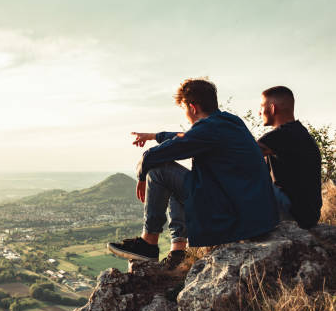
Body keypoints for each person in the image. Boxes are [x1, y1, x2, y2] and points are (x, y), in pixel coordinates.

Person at [107, 78, 279, 269]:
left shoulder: (208, 129)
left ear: (193, 107)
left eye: (184, 110)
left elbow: (154, 156)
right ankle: (178, 249)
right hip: (255, 214)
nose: (186, 116)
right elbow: (186, 138)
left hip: (234, 217)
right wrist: (154, 136)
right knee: (181, 180)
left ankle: (148, 244)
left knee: (159, 172)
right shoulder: (229, 122)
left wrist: (141, 176)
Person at [257, 86, 322, 228]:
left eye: (262, 106)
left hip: (294, 212)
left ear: (273, 109)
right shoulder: (297, 132)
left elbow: (241, 152)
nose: (259, 112)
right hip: (307, 214)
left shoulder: (284, 135)